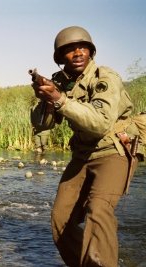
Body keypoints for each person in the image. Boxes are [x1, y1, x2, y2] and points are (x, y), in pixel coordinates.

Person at [31, 25, 142, 266]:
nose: (78, 53)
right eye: (70, 50)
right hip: (82, 155)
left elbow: (100, 123)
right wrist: (45, 101)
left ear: (91, 52)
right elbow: (42, 125)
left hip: (114, 150)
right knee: (60, 219)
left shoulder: (105, 77)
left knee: (99, 210)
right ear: (61, 58)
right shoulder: (60, 81)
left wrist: (59, 100)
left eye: (82, 47)